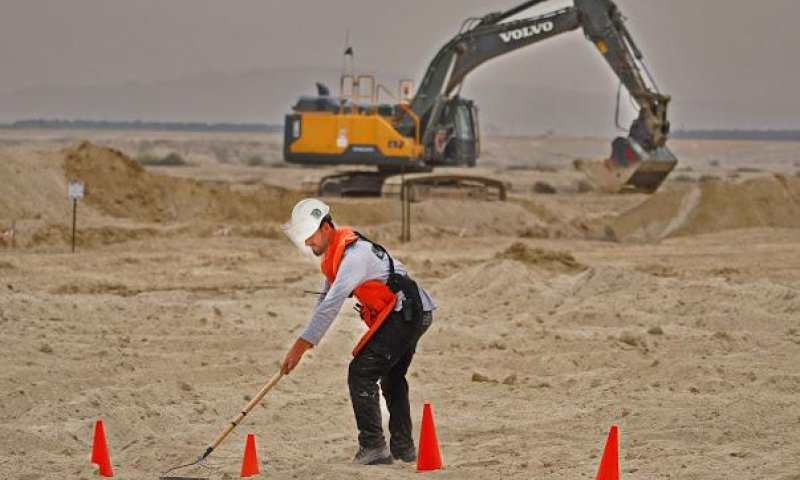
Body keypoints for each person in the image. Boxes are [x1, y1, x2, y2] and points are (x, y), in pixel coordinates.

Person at [280, 198, 435, 465]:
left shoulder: (355, 256)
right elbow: (324, 301)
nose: (307, 243)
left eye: (310, 236)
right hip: (407, 312)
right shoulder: (336, 257)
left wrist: (300, 346)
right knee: (392, 379)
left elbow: (331, 304)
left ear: (326, 228)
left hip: (409, 313)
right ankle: (404, 450)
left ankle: (374, 447)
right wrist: (305, 344)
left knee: (361, 372)